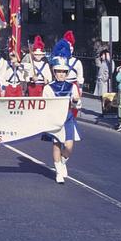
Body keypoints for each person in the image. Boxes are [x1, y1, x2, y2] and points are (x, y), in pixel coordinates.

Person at [43, 36, 82, 183]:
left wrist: (75, 101)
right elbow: (45, 105)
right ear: (54, 72)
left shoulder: (71, 87)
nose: (61, 74)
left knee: (69, 146)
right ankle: (58, 171)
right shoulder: (48, 88)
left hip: (67, 118)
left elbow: (77, 104)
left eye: (64, 72)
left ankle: (62, 162)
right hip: (54, 119)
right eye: (58, 71)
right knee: (56, 144)